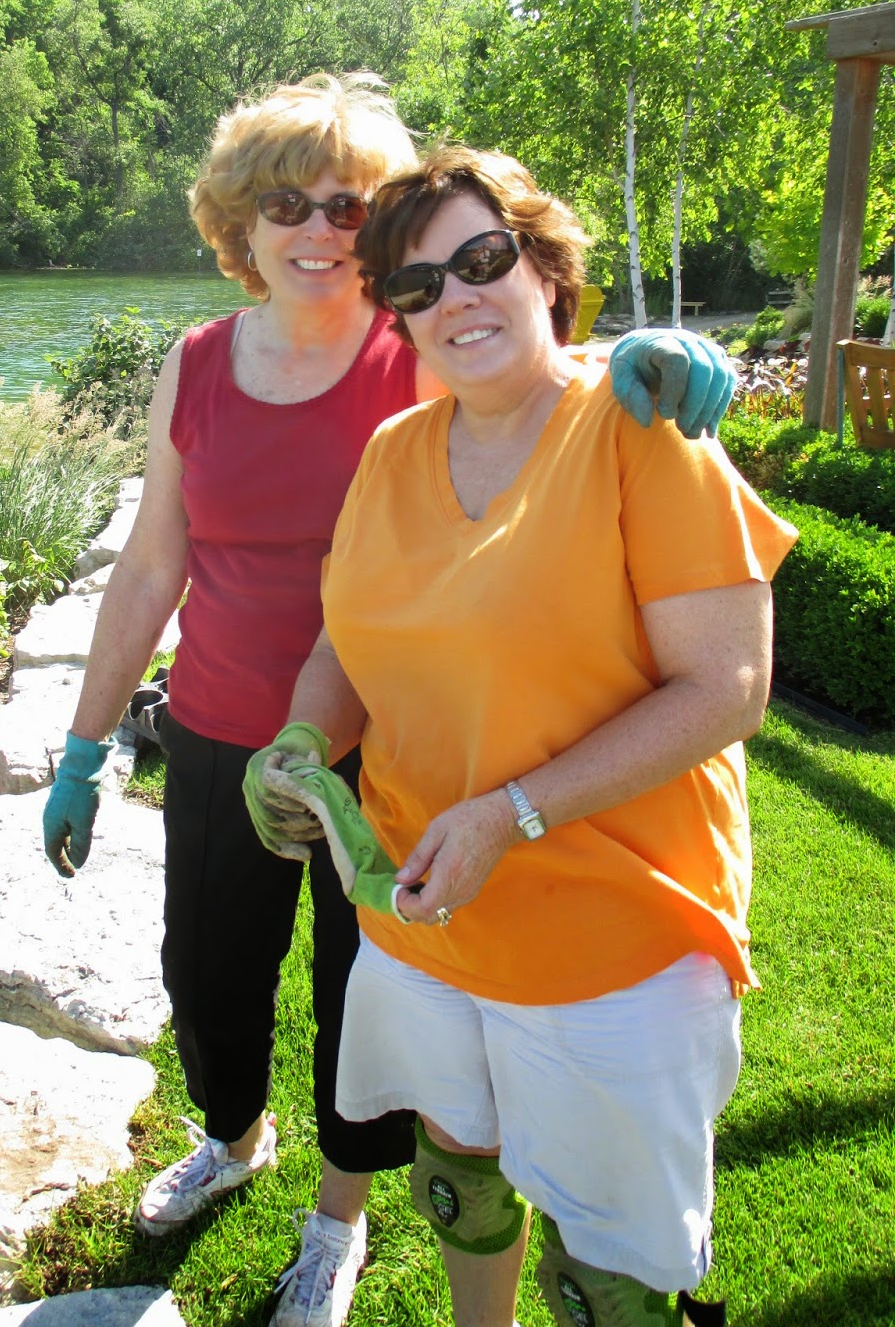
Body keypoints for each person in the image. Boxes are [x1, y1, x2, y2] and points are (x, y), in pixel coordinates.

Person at [39, 80, 737, 1327]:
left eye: (346, 207)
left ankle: (337, 1217)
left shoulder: (408, 350)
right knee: (212, 973)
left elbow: (523, 370)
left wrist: (637, 355)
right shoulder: (209, 368)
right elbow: (154, 566)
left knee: (361, 1000)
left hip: (418, 761)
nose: (317, 229)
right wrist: (87, 745)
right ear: (239, 223)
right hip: (242, 729)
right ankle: (232, 1136)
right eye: (285, 203)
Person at [248, 144, 796, 1327]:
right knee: (461, 1171)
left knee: (611, 1267)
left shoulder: (643, 430)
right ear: (398, 315)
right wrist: (298, 738)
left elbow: (727, 688)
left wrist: (512, 814)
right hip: (424, 912)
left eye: (481, 259)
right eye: (417, 284)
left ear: (544, 268)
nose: (454, 297)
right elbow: (346, 644)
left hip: (614, 938)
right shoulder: (394, 452)